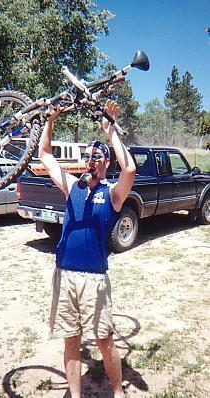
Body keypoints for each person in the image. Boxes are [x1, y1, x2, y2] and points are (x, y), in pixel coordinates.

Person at [38, 100, 136, 398]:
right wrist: (50, 121)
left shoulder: (112, 194)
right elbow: (45, 154)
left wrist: (111, 131)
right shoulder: (72, 186)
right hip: (65, 274)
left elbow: (129, 168)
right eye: (87, 156)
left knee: (104, 340)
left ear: (106, 162)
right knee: (71, 339)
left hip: (94, 280)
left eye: (97, 156)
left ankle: (118, 392)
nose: (90, 160)